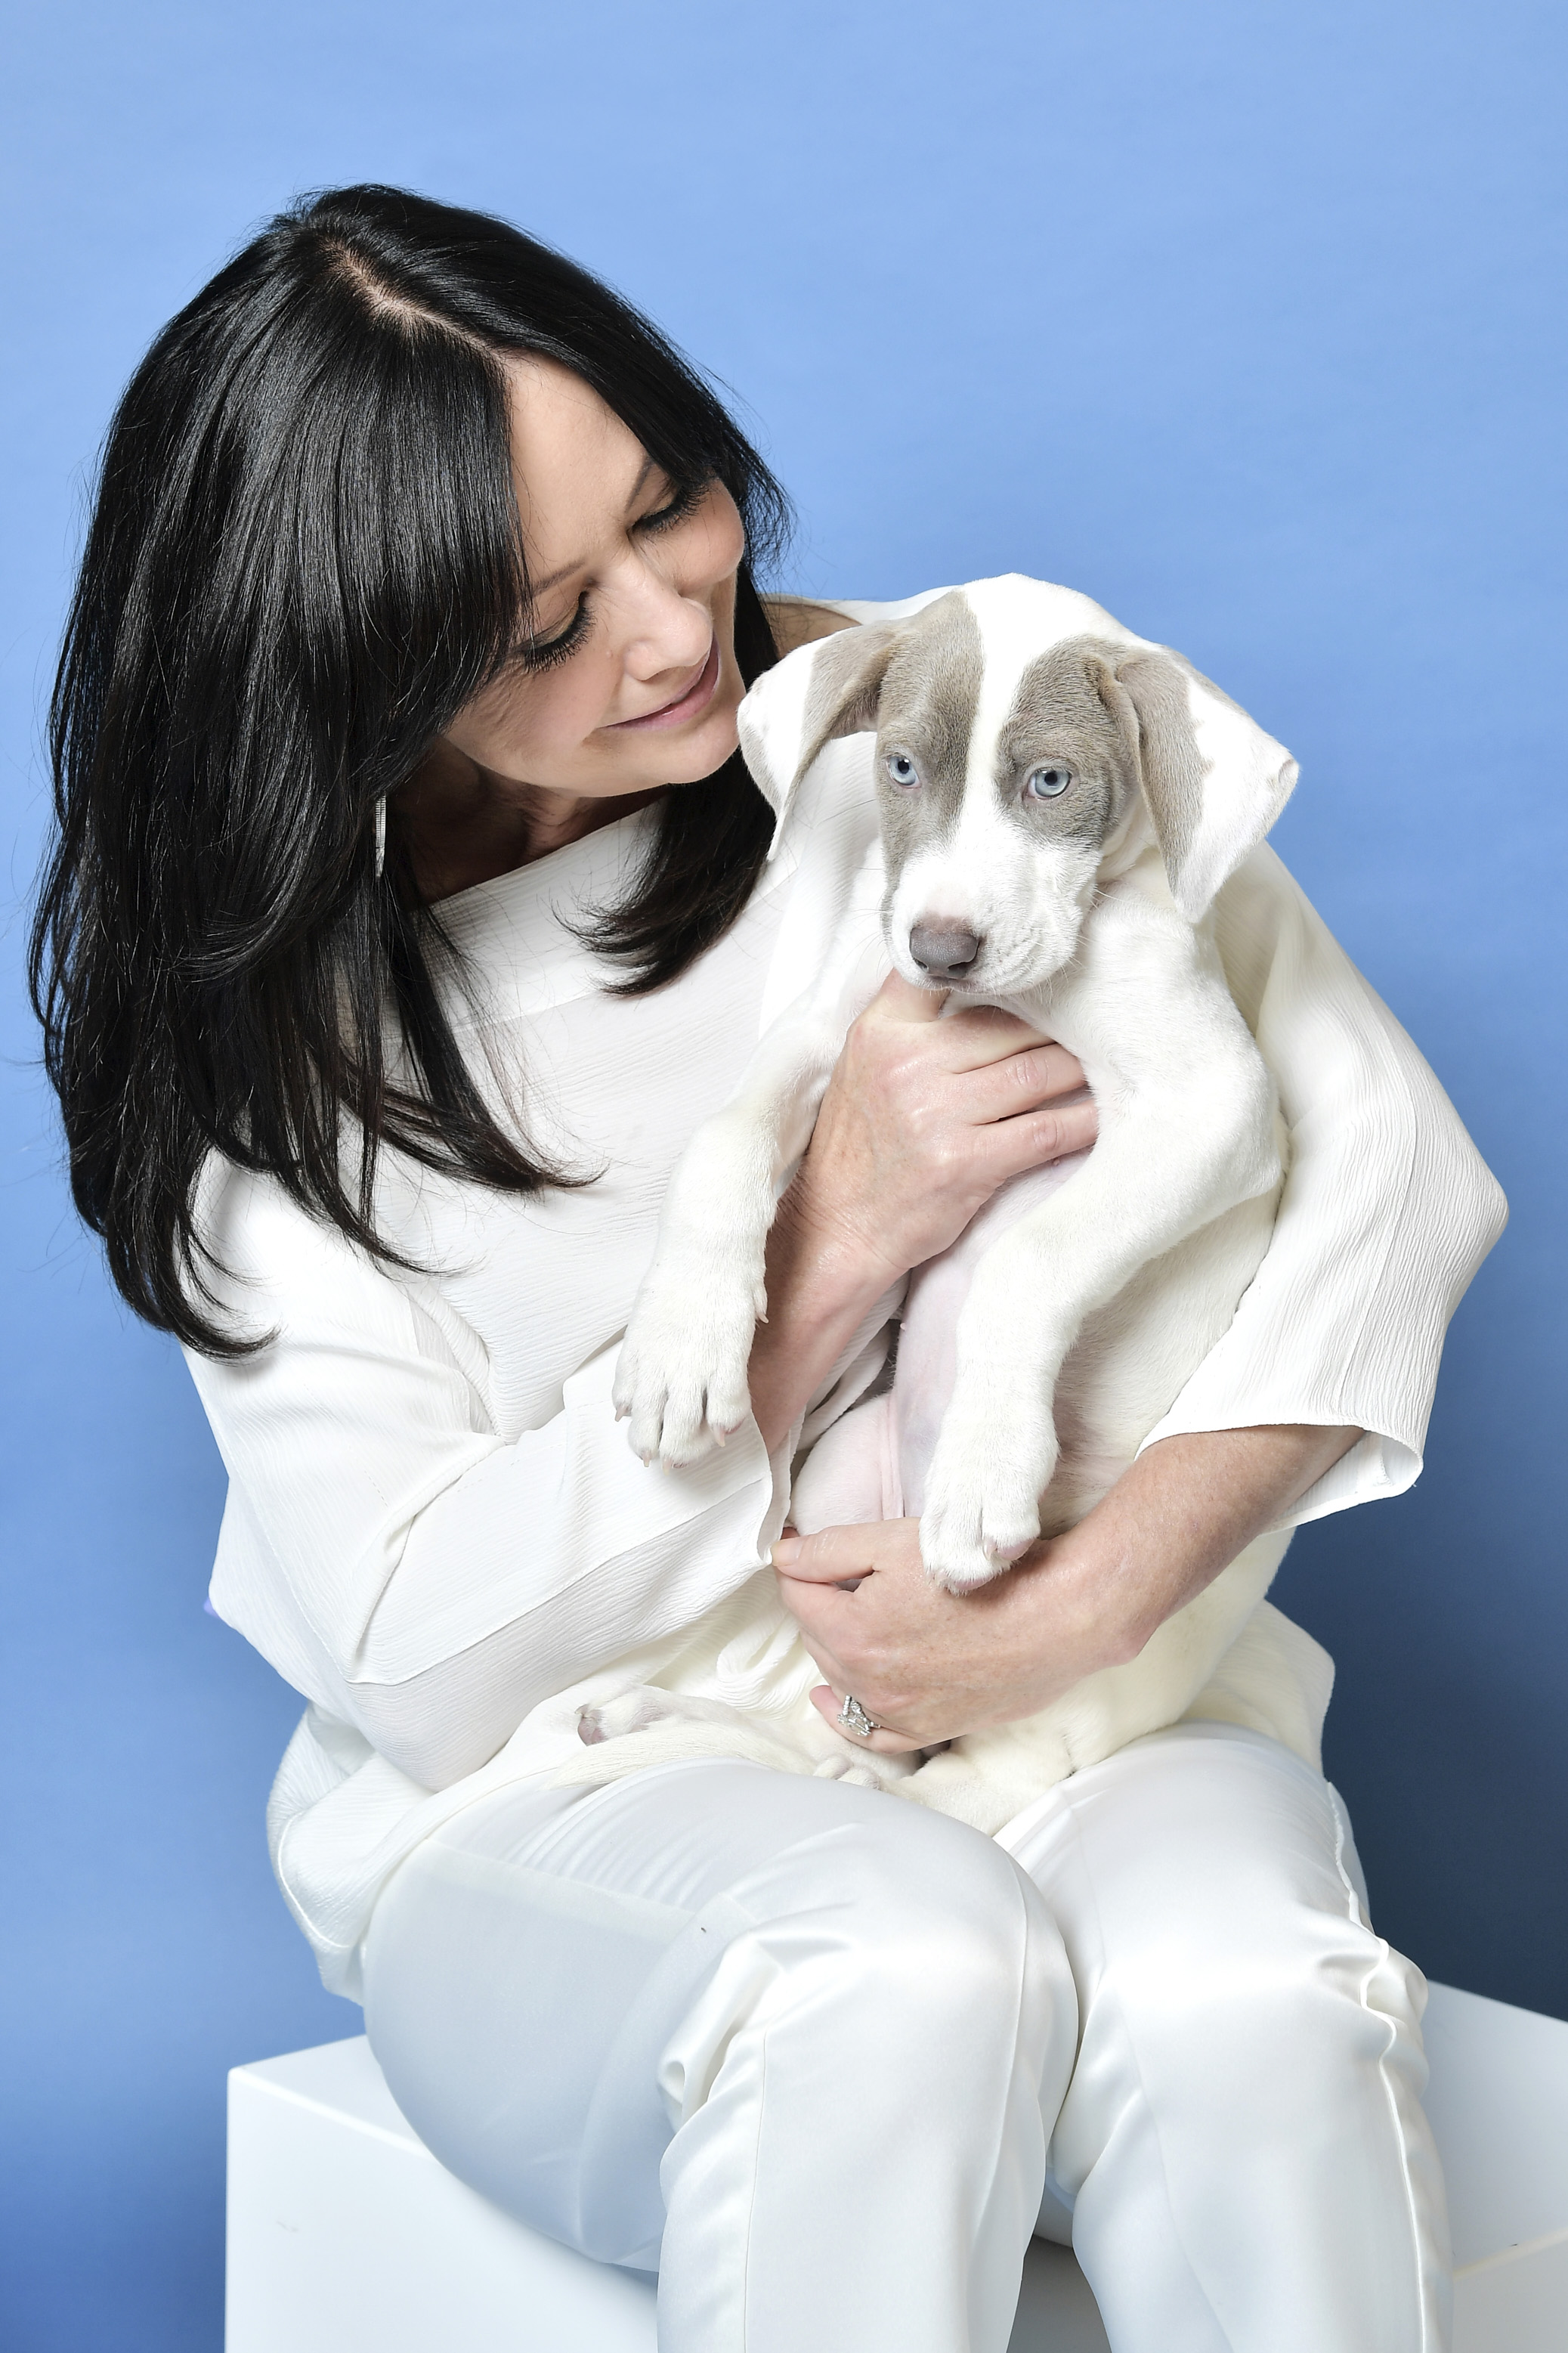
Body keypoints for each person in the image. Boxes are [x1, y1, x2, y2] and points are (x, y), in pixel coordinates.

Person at [31, 184, 1505, 2353]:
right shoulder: (287, 1030)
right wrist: (825, 1240)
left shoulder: (945, 718)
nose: (665, 628)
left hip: (1071, 1703)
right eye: (541, 622)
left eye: (669, 499)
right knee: (894, 1970)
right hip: (575, 1800)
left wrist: (1076, 1606)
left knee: (1254, 2014)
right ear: (355, 663)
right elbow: (421, 1658)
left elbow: (1391, 1180)